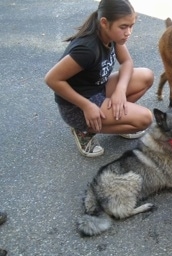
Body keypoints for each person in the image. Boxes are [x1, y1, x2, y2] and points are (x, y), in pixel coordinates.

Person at [45, 0, 154, 157]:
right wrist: (87, 106)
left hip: (97, 88)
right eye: (123, 26)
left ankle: (117, 117)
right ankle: (84, 131)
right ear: (104, 22)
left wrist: (120, 91)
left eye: (131, 26)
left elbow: (127, 62)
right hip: (77, 105)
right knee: (144, 120)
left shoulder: (112, 36)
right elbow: (52, 79)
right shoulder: (87, 49)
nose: (128, 32)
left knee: (146, 76)